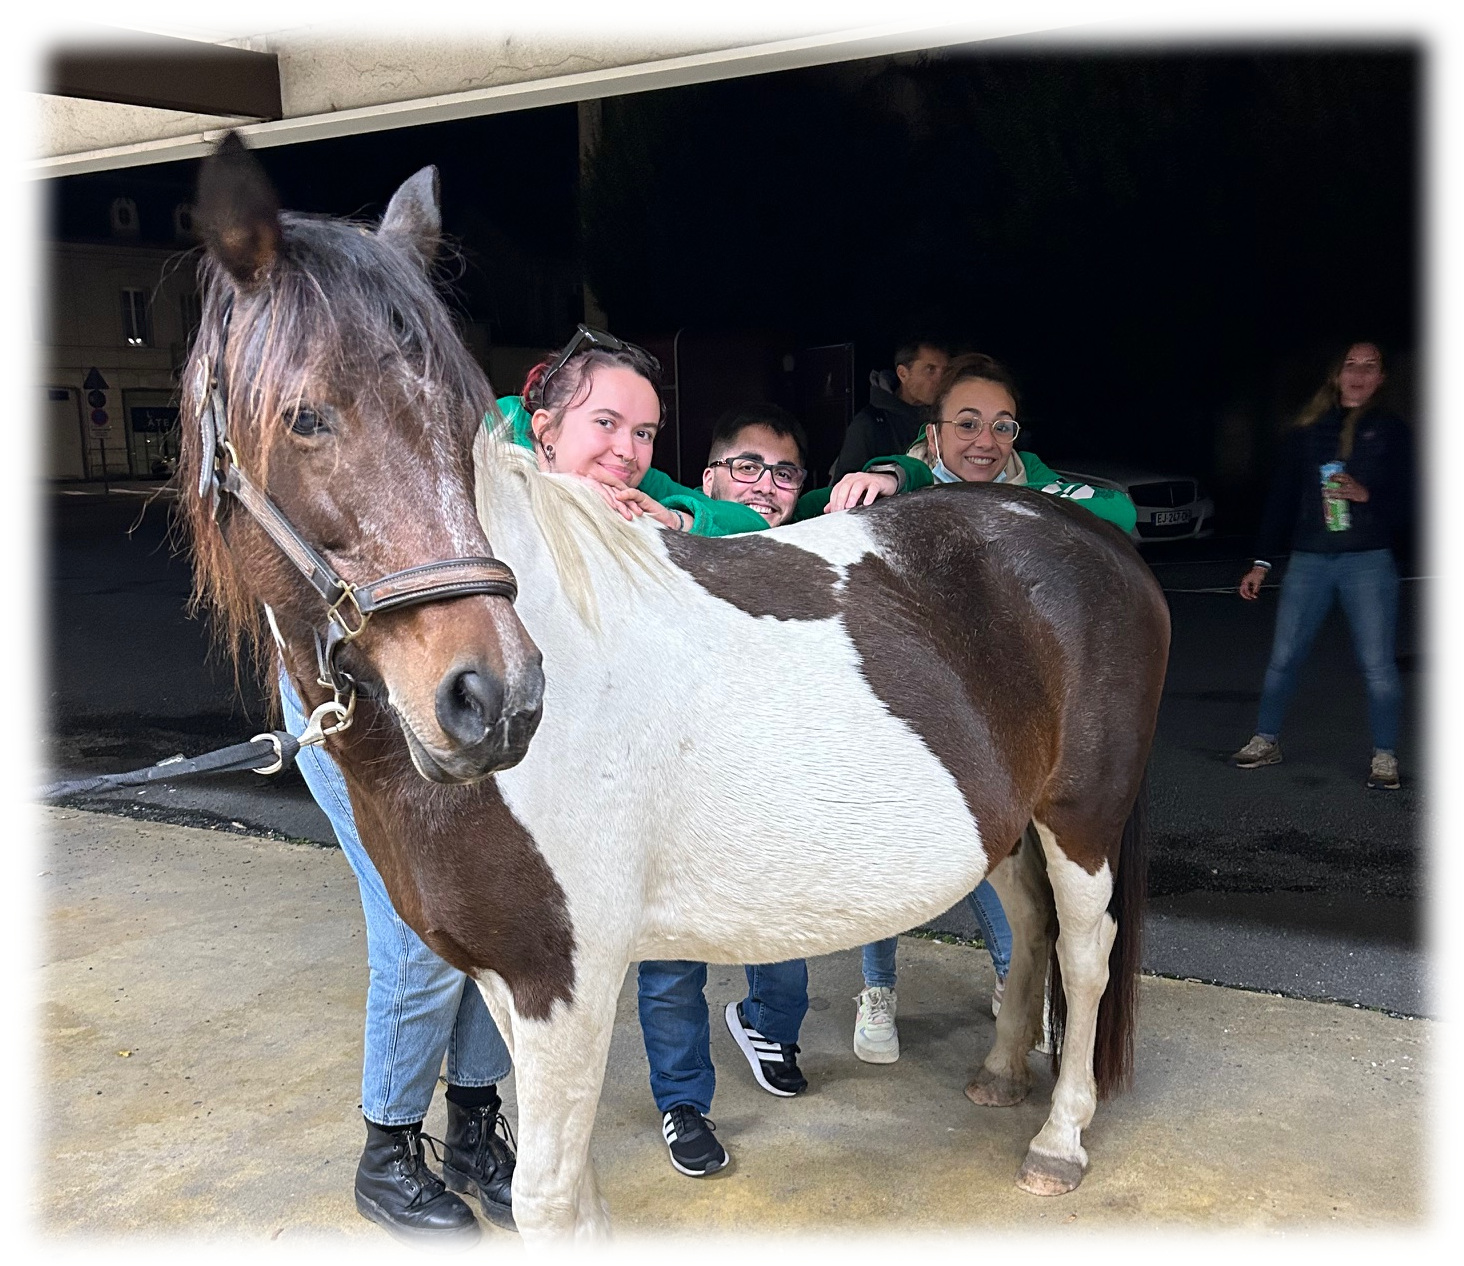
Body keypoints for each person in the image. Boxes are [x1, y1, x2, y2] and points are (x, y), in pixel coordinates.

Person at [830, 351, 1137, 1064]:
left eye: (1003, 427)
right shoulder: (895, 483)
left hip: (996, 720)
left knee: (1003, 856)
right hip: (901, 715)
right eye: (966, 424)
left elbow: (1117, 508)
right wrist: (899, 473)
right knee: (886, 856)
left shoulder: (1028, 487)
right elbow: (818, 510)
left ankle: (1013, 984)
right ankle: (877, 989)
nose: (986, 442)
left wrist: (1025, 496)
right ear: (930, 434)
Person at [635, 403, 820, 1181]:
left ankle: (767, 1024)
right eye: (746, 465)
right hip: (670, 789)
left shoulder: (811, 547)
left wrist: (898, 466)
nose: (765, 486)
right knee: (673, 959)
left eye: (783, 474)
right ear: (709, 475)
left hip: (772, 784)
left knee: (788, 932)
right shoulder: (660, 522)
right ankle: (684, 1102)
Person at [1229, 341, 1412, 790]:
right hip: (1309, 560)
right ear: (1337, 374)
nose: (1360, 373)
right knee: (1284, 657)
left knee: (1377, 665)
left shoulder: (1393, 430)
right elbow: (1282, 500)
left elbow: (1413, 502)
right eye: (1351, 365)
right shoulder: (1306, 431)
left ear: (1381, 378)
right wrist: (1261, 562)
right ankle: (1265, 739)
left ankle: (1385, 755)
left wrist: (1369, 496)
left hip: (1367, 561)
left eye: (1370, 366)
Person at [829, 338, 950, 479]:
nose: (941, 379)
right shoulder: (869, 424)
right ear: (903, 374)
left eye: (945, 371)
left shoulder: (945, 420)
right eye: (930, 369)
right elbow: (846, 486)